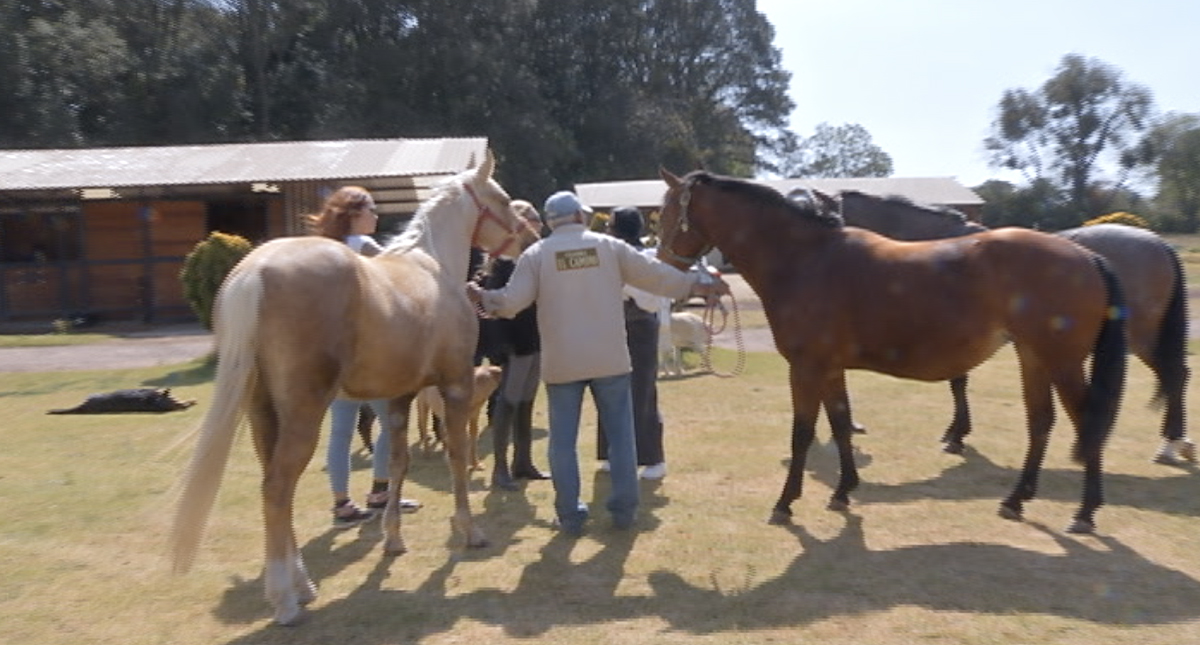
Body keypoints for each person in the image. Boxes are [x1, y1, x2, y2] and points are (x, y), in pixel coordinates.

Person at [468, 191, 728, 535]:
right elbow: (657, 277)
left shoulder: (537, 254)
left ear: (548, 221)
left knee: (562, 441)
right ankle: (623, 511)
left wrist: (481, 296)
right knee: (622, 437)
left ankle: (570, 515)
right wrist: (700, 283)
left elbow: (510, 302)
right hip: (610, 358)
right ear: (580, 217)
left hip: (563, 362)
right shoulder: (609, 246)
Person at [309, 186, 420, 529]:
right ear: (354, 215)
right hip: (372, 356)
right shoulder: (367, 248)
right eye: (370, 209)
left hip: (336, 356)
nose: (375, 215)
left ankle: (341, 502)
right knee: (391, 423)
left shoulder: (324, 252)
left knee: (340, 432)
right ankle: (380, 491)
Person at [479, 200, 551, 490]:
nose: (539, 226)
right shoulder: (505, 262)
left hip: (533, 338)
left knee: (526, 400)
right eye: (534, 219)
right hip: (514, 342)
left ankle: (523, 462)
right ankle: (500, 468)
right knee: (508, 401)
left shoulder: (530, 258)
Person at [597, 207, 669, 479]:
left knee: (642, 392)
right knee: (608, 390)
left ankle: (653, 458)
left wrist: (623, 283)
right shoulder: (608, 256)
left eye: (610, 226)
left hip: (640, 329)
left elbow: (649, 299)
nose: (606, 231)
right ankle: (611, 452)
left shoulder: (647, 257)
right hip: (611, 328)